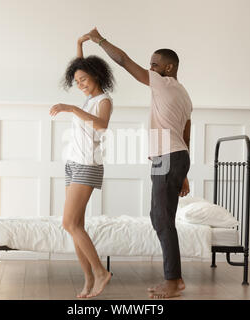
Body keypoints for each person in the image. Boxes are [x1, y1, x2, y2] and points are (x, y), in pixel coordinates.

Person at [83, 28, 192, 299]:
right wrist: (184, 174)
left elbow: (123, 60)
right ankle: (173, 278)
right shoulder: (184, 94)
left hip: (168, 158)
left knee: (161, 218)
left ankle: (174, 280)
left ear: (169, 67)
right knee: (161, 217)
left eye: (155, 64)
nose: (150, 68)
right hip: (175, 158)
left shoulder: (162, 82)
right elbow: (186, 134)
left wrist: (99, 40)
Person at [49, 34, 115, 298]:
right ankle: (88, 279)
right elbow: (79, 63)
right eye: (76, 82)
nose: (80, 85)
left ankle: (100, 271)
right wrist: (79, 43)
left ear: (96, 76)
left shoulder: (103, 101)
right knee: (77, 224)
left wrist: (72, 108)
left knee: (69, 223)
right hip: (73, 164)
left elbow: (102, 125)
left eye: (84, 80)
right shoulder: (88, 99)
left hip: (88, 164)